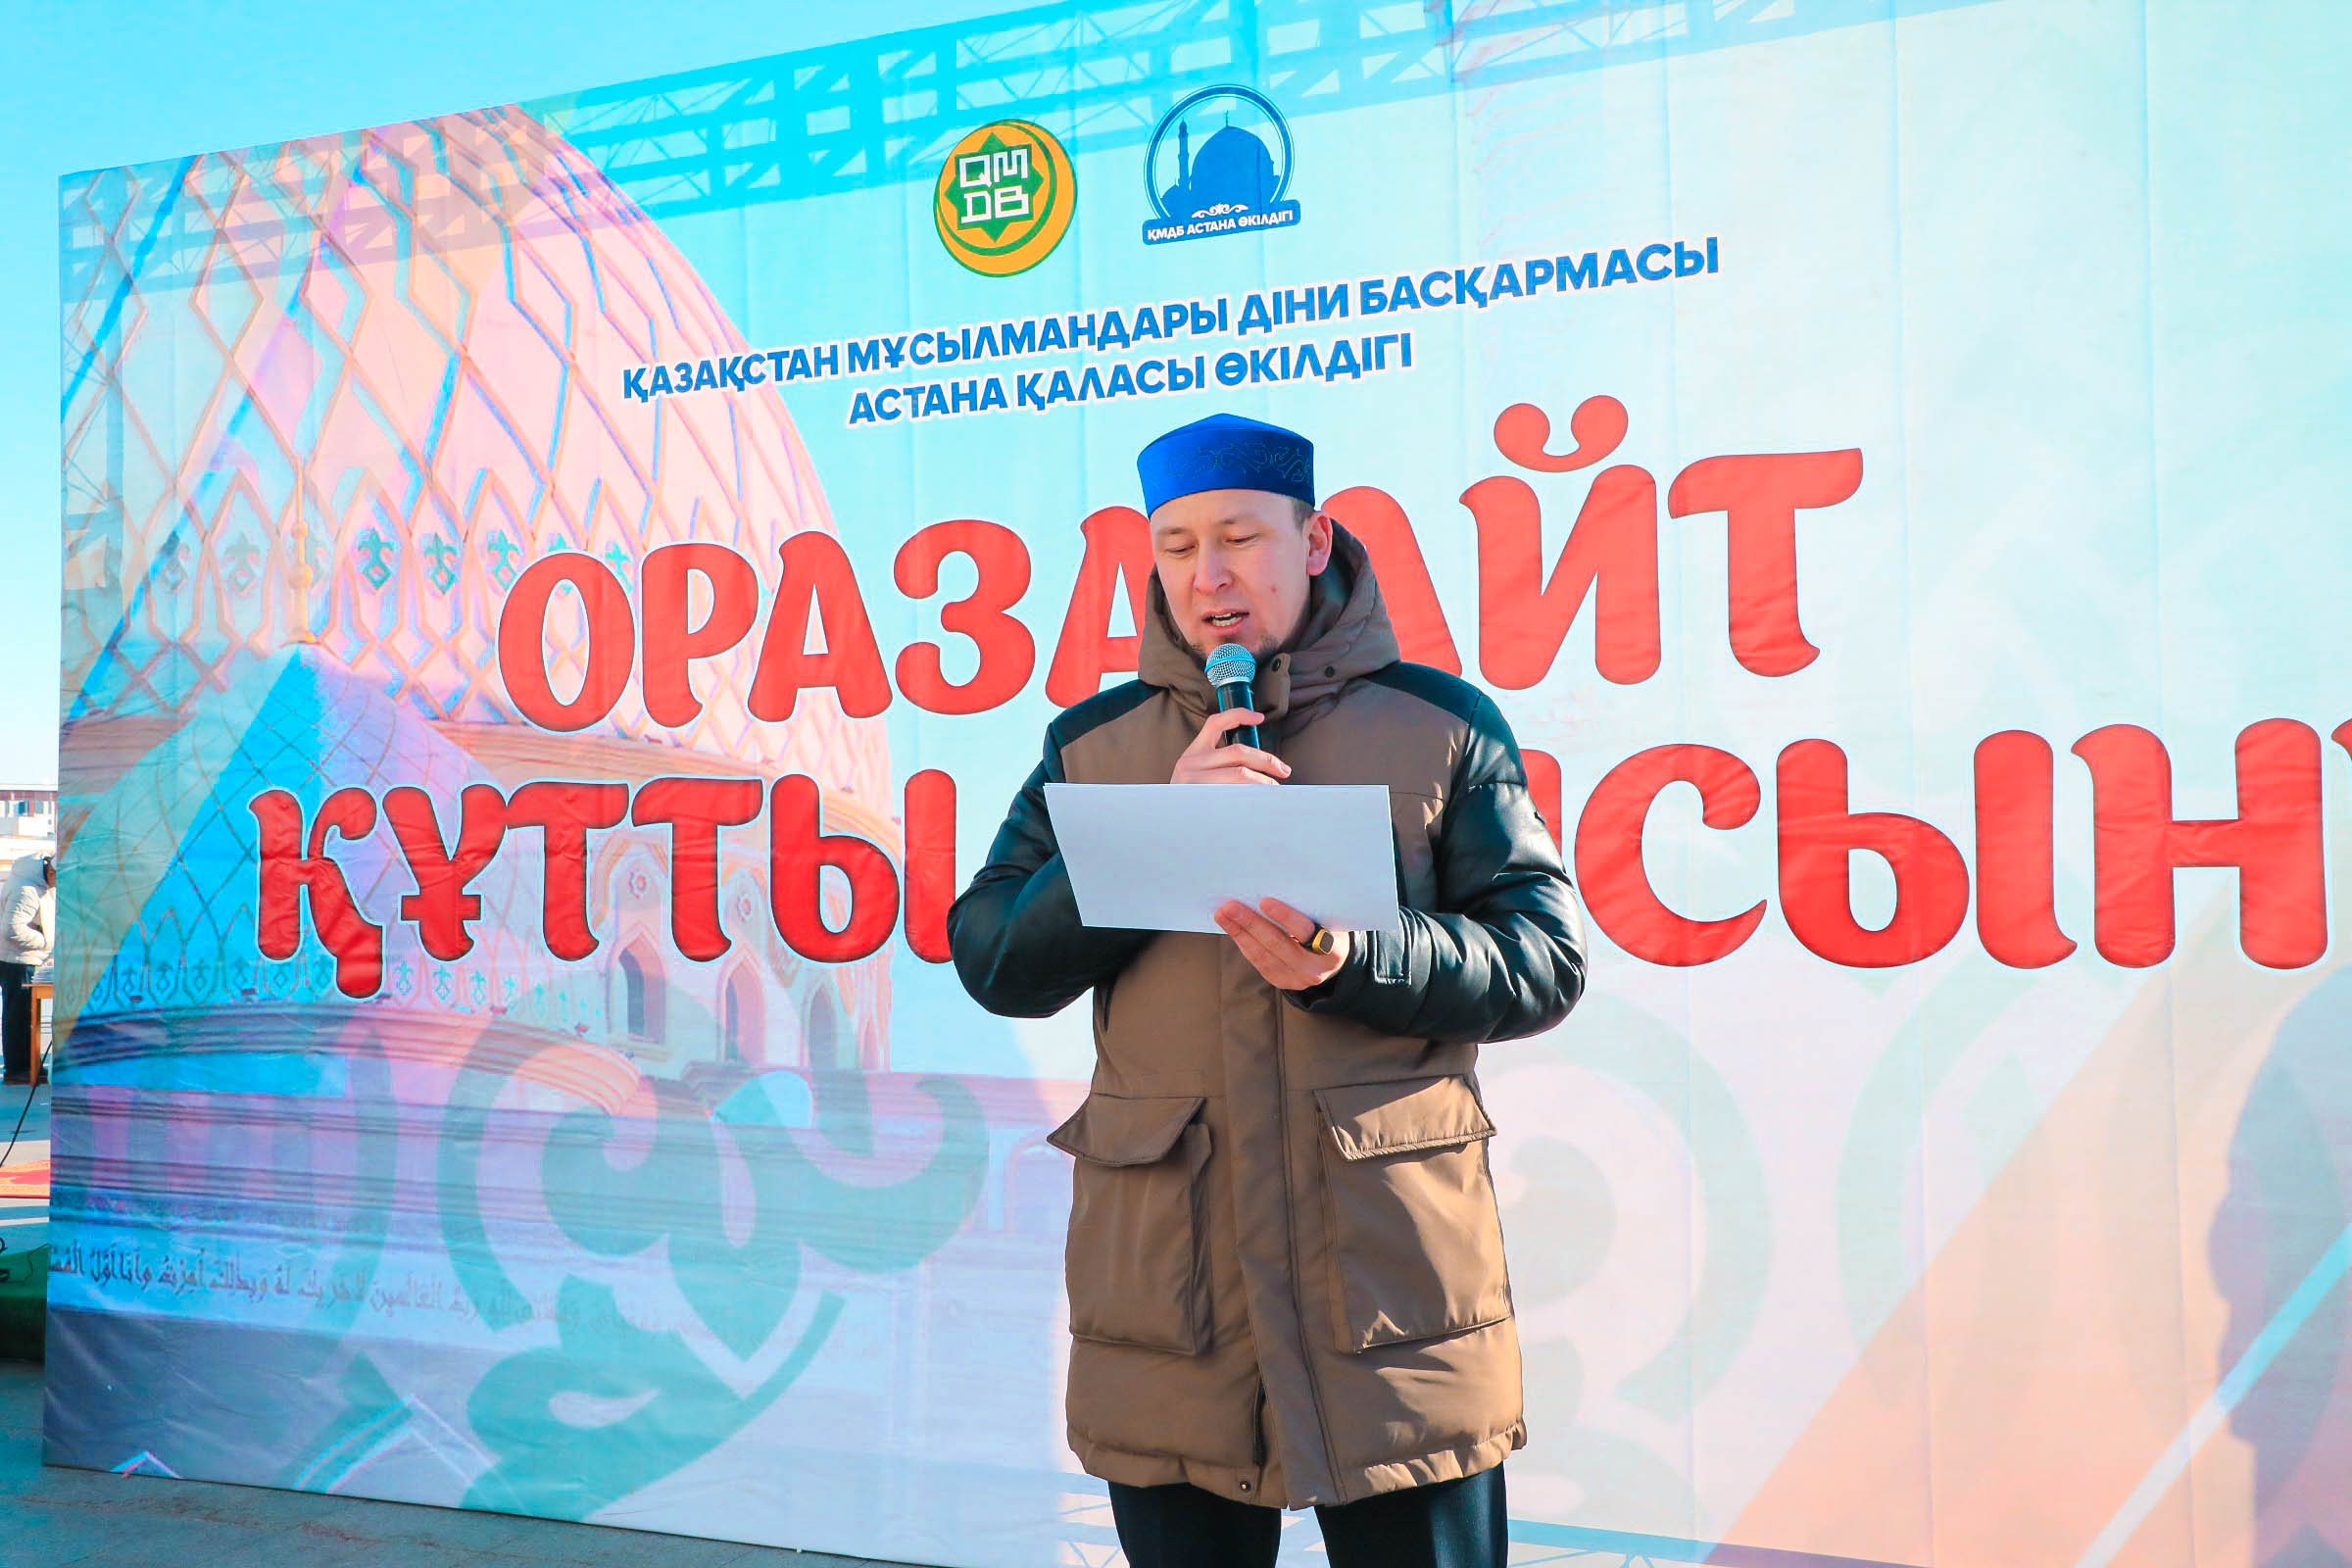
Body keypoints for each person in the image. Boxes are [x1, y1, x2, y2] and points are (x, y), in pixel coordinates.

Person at [948, 413, 1588, 1568]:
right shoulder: (1094, 747)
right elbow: (994, 959)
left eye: (1240, 538)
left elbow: (1542, 959)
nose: (1211, 575)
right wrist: (1153, 835)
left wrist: (1359, 959)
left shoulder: (1441, 727)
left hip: (1394, 1307)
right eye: (1179, 546)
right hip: (1172, 1305)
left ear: (1314, 541)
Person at [0, 851, 54, 1085]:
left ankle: (27, 1065)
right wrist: (45, 942)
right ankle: (17, 1068)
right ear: (51, 873)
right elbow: (12, 929)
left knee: (24, 1015)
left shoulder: (35, 883)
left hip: (22, 958)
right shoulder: (27, 890)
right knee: (19, 1016)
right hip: (17, 960)